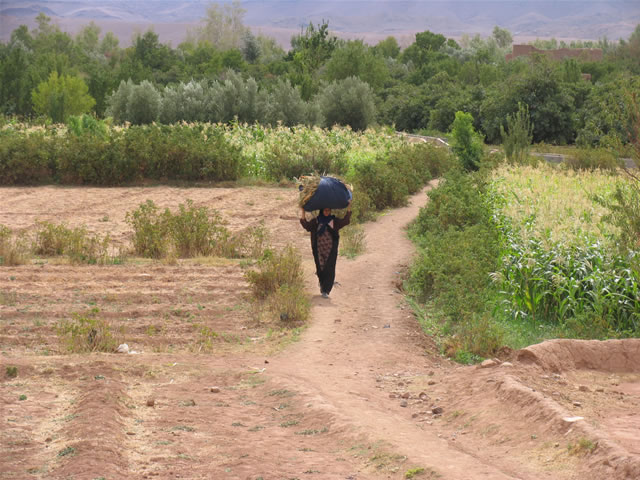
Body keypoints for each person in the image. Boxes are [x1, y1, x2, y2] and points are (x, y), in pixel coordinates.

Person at [300, 202, 351, 298]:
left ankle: (325, 290)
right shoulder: (316, 221)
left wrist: (348, 206)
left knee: (330, 269)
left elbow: (346, 220)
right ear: (322, 211)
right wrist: (303, 212)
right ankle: (322, 284)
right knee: (320, 269)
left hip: (330, 250)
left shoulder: (334, 221)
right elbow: (306, 226)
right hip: (318, 249)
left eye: (328, 210)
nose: (327, 212)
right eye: (325, 210)